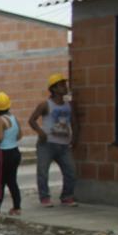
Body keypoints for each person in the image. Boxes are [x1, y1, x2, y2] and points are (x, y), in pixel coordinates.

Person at [28, 73, 77, 207]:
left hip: (64, 145)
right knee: (43, 172)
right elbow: (32, 120)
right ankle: (45, 198)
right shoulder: (45, 105)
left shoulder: (68, 105)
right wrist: (40, 132)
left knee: (70, 171)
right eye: (61, 85)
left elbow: (74, 122)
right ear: (54, 89)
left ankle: (67, 197)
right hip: (47, 144)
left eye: (64, 84)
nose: (65, 87)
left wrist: (75, 137)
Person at [0, 92, 23, 217]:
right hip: (15, 152)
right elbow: (19, 135)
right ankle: (17, 207)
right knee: (12, 181)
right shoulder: (13, 118)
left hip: (3, 154)